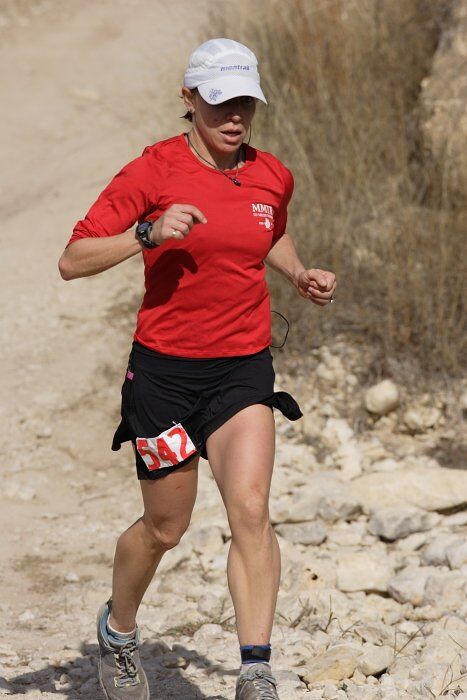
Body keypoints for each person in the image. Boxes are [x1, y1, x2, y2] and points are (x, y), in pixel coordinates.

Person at [58, 37, 336, 700]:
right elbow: (72, 259)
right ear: (189, 100)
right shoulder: (151, 172)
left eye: (244, 100)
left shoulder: (271, 173)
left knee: (249, 510)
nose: (233, 115)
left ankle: (255, 671)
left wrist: (296, 271)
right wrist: (147, 235)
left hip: (242, 369)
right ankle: (118, 632)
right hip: (164, 377)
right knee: (166, 527)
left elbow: (266, 228)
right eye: (218, 101)